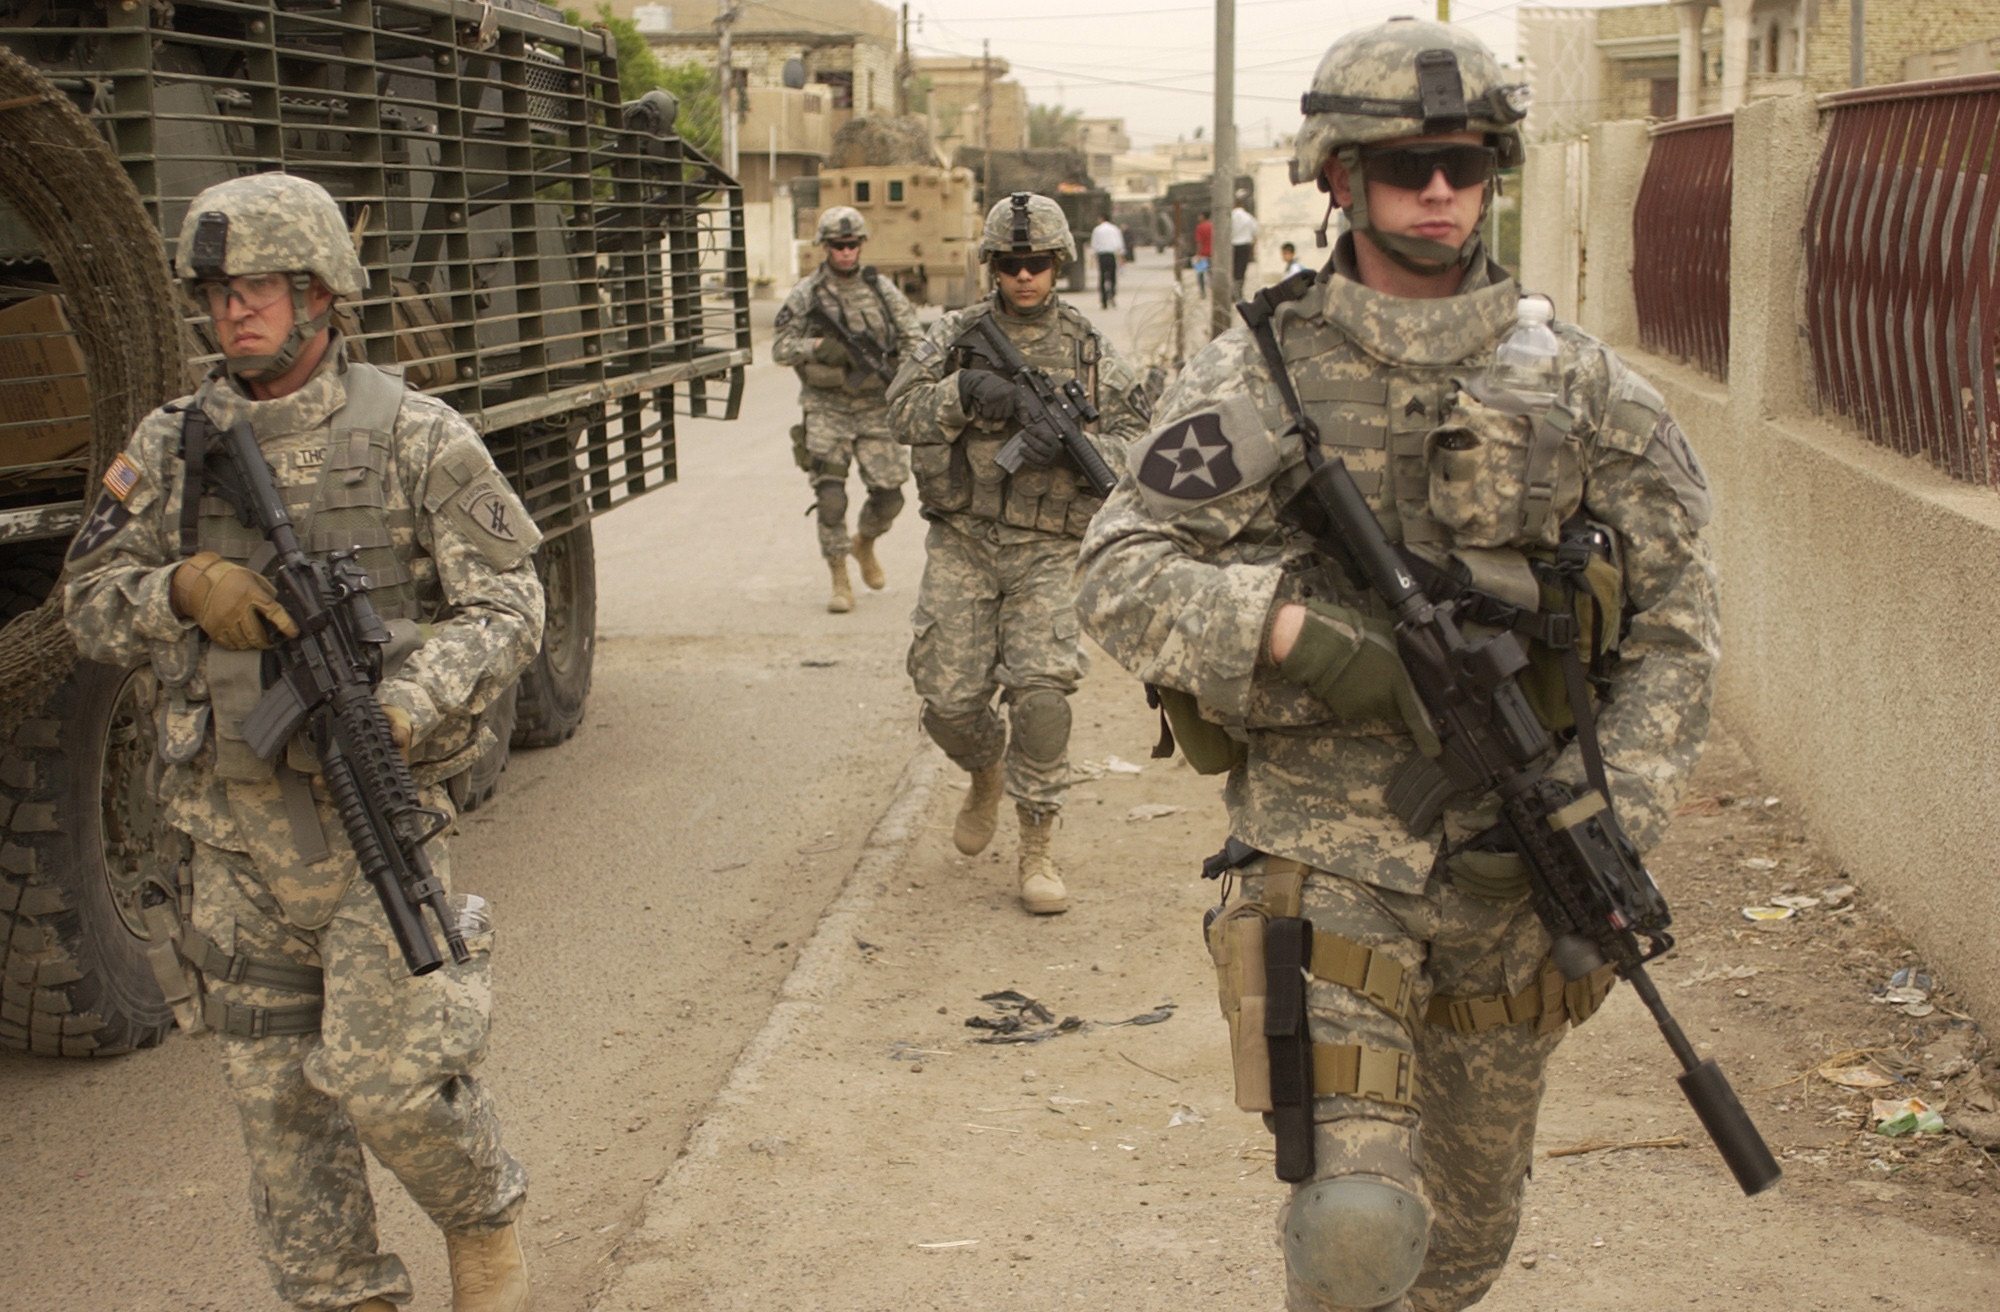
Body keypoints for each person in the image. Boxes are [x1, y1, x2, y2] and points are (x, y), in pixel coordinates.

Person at [1076, 17, 1717, 1312]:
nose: (1442, 188)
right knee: (1360, 1231)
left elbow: (1676, 621)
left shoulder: (1584, 389)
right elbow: (1117, 571)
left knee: (1466, 1248)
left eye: (1469, 162)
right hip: (1328, 870)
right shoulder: (1260, 379)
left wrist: (1616, 807)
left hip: (1519, 880)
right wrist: (1300, 637)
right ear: (1339, 176)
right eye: (1411, 161)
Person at [63, 173, 542, 1312]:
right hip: (227, 834)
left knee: (388, 1085)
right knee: (278, 1113)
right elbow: (86, 600)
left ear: (324, 291)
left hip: (368, 819)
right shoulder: (172, 446)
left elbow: (511, 606)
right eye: (219, 291)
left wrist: (405, 701)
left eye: (262, 287)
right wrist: (182, 584)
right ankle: (344, 1295)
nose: (237, 311)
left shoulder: (416, 434)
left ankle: (479, 1213)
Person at [887, 192, 1151, 914]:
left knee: (1041, 695)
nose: (1024, 276)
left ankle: (1037, 844)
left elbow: (1141, 443)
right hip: (965, 539)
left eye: (1036, 263)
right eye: (1010, 263)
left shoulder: (1090, 348)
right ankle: (984, 772)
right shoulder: (953, 336)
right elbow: (900, 412)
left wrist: (1079, 447)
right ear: (992, 267)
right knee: (947, 701)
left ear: (1058, 264)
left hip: (1048, 549)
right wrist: (966, 392)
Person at [770, 206, 923, 612]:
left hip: (876, 406)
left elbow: (913, 338)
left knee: (891, 497)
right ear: (825, 248)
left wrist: (902, 376)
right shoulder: (807, 294)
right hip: (827, 407)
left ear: (861, 245)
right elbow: (781, 348)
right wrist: (818, 347)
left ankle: (864, 543)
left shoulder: (882, 291)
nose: (845, 253)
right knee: (831, 496)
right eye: (837, 246)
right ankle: (839, 577)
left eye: (851, 244)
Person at [1090, 211, 1125, 309]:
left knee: (1102, 278)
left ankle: (1103, 301)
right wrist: (1121, 257)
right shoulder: (1115, 229)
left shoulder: (1097, 230)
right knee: (1112, 277)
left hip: (1102, 256)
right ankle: (1112, 295)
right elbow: (1119, 244)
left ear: (1101, 218)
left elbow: (1094, 244)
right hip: (1112, 255)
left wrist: (1092, 258)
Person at [1231, 194, 1260, 285]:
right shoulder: (1249, 217)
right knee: (1242, 269)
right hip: (1245, 246)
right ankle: (1239, 288)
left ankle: (1233, 290)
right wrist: (1253, 248)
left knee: (1233, 269)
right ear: (1242, 205)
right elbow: (1255, 233)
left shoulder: (1230, 217)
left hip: (1232, 246)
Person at [1193, 209, 1214, 294]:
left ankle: (1202, 291)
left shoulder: (1200, 227)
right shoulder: (1212, 226)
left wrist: (1198, 254)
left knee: (1200, 274)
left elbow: (1199, 242)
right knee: (1211, 273)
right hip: (1212, 253)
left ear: (1203, 217)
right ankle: (1214, 290)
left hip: (1203, 254)